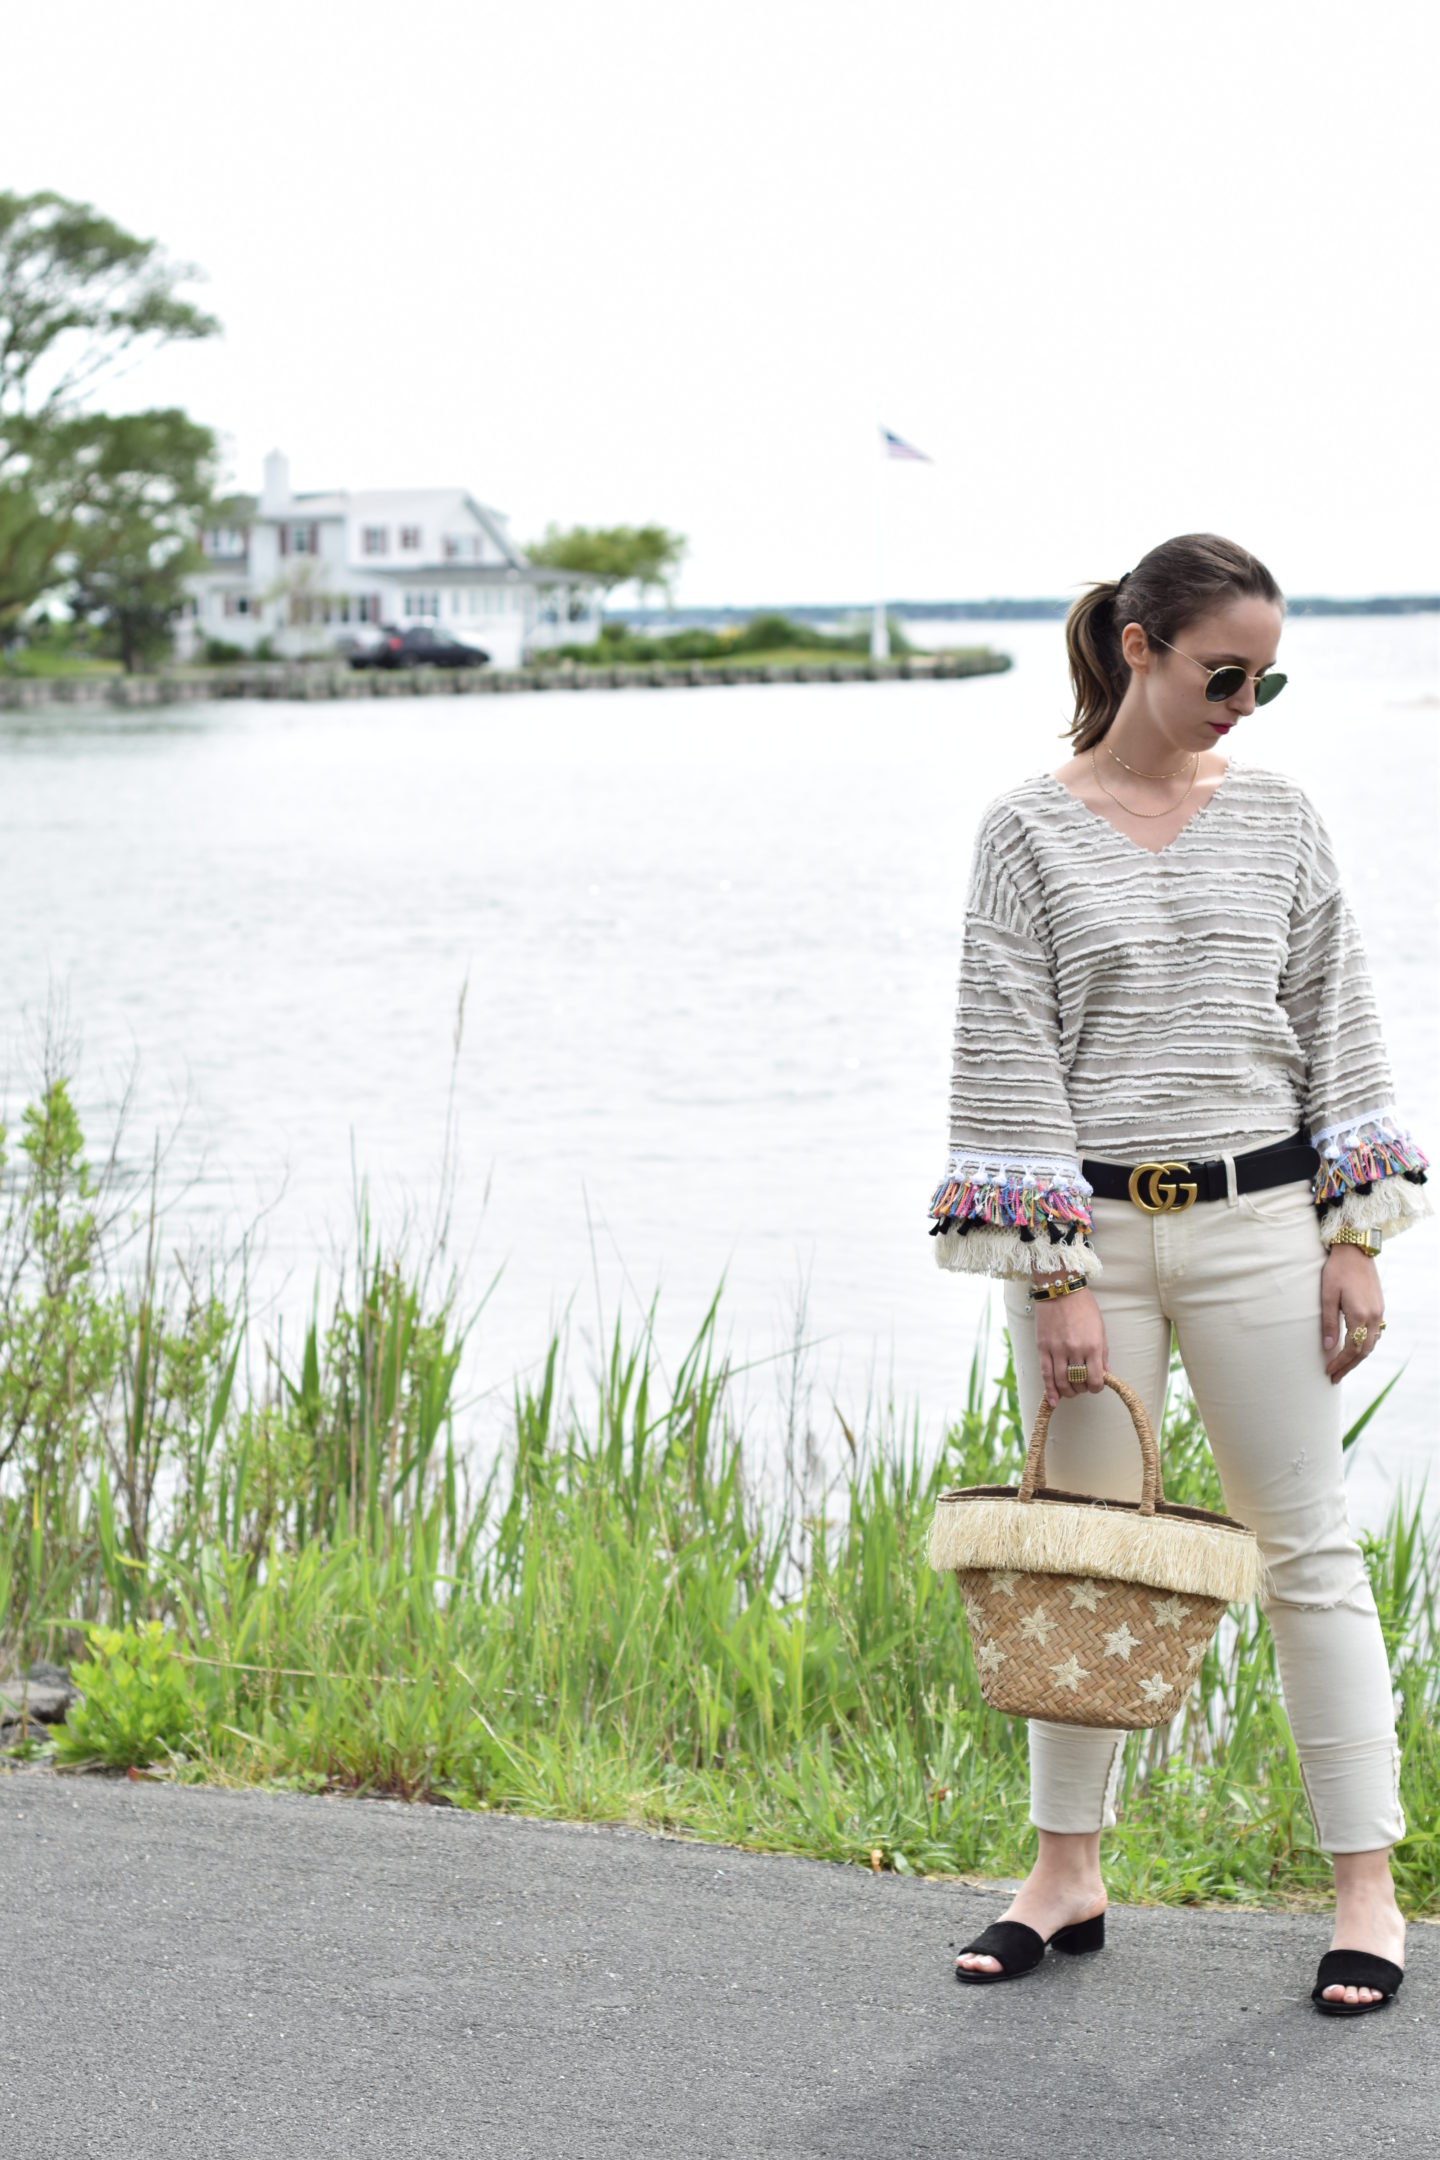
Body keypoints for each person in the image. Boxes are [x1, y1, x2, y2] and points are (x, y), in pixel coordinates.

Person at [928, 533, 1431, 2016]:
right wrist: (1055, 1274)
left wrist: (1355, 1234)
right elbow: (1007, 1051)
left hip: (1264, 1226)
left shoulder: (1280, 817)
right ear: (1138, 646)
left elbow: (1338, 1015)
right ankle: (1064, 1874)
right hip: (1089, 1245)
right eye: (1226, 673)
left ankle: (1368, 1894)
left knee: (1311, 1557)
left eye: (1269, 677)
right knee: (1079, 1553)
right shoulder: (1024, 830)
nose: (1247, 703)